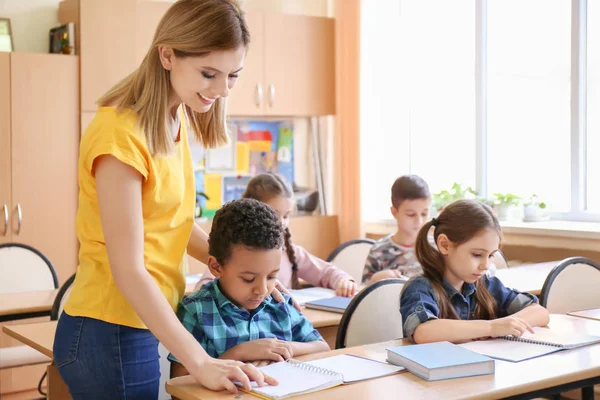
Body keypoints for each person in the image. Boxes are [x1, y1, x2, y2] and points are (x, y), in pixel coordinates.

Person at [52, 1, 279, 398]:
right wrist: (201, 361)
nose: (222, 89)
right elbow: (128, 269)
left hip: (142, 321)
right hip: (109, 325)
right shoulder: (119, 134)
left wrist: (243, 268)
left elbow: (171, 222)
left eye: (233, 75)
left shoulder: (172, 120)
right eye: (209, 73)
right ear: (168, 54)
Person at [170, 199, 330, 378]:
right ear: (216, 267)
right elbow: (179, 381)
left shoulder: (279, 303)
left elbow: (322, 346)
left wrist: (280, 349)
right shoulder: (197, 311)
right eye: (248, 279)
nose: (262, 290)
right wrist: (240, 353)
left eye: (271, 277)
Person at [400, 200, 550, 344]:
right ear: (445, 245)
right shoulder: (420, 288)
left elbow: (540, 312)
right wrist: (492, 327)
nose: (486, 265)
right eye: (477, 255)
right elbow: (423, 331)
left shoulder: (486, 285)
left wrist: (509, 324)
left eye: (491, 255)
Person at [197, 173, 358, 297]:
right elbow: (204, 289)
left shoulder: (290, 252)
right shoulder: (233, 254)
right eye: (273, 213)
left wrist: (344, 282)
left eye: (286, 216)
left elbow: (326, 272)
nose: (281, 223)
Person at [363, 175, 431, 285]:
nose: (419, 221)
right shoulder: (378, 251)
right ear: (394, 212)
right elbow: (362, 295)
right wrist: (374, 280)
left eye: (424, 214)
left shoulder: (437, 250)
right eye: (411, 214)